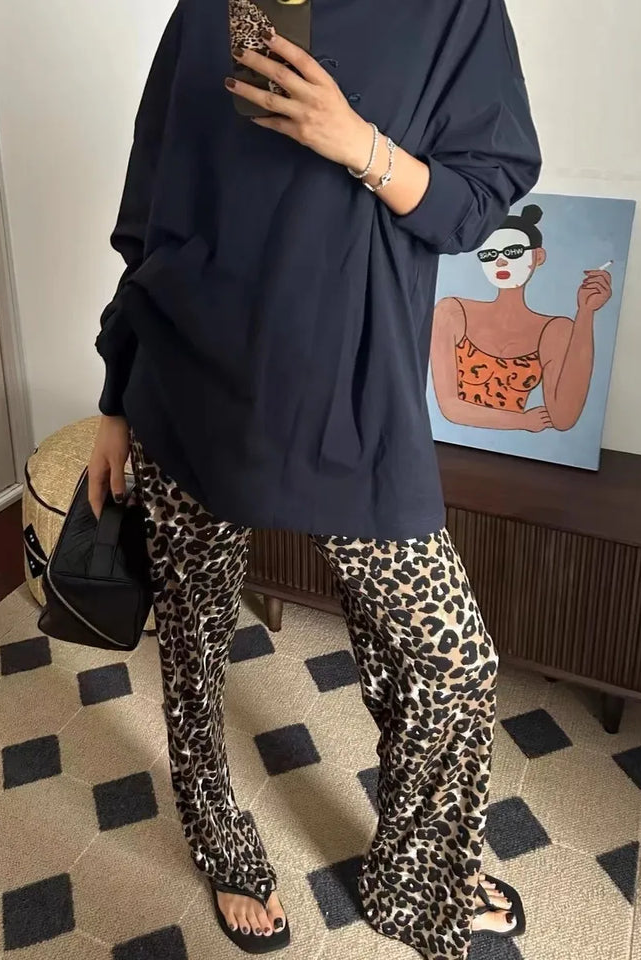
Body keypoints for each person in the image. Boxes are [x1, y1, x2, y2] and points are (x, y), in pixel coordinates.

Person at [87, 1, 542, 957]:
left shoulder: (453, 9)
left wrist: (356, 143)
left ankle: (416, 875)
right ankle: (221, 840)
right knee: (193, 641)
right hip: (186, 379)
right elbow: (146, 212)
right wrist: (116, 398)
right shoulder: (209, 8)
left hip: (351, 389)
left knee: (452, 661)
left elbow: (478, 202)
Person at [431, 204, 613, 432]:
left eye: (513, 251)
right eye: (490, 254)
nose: (500, 261)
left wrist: (586, 313)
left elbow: (563, 418)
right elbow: (449, 407)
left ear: (539, 256)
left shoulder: (555, 330)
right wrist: (523, 421)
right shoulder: (451, 313)